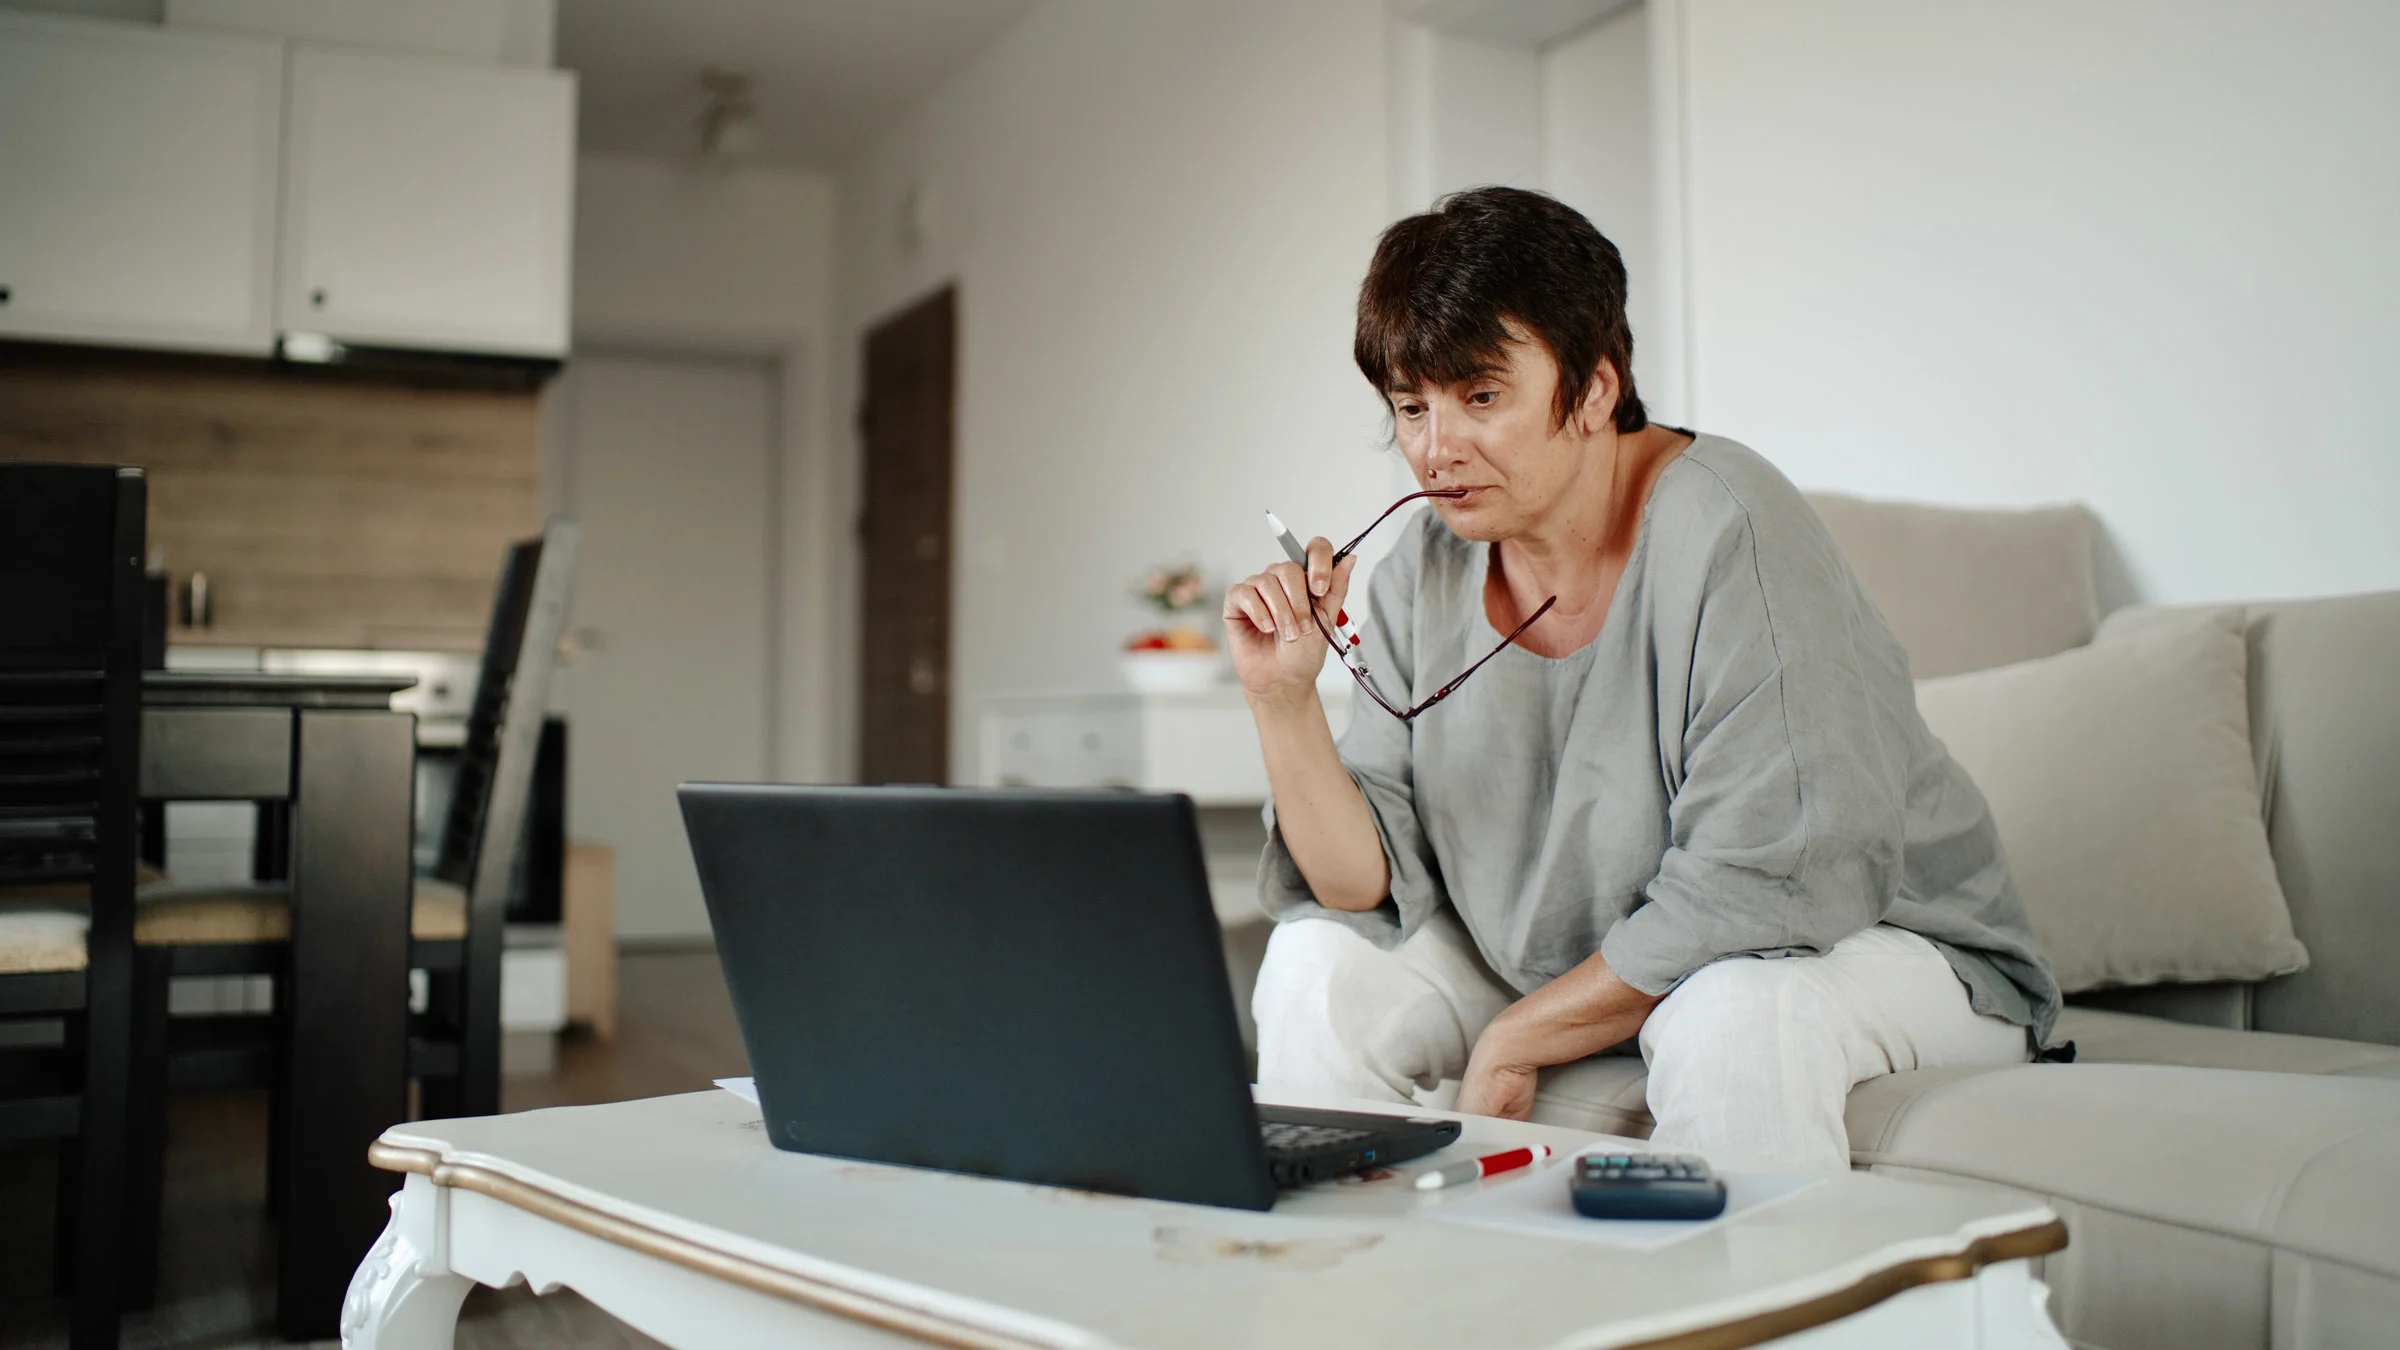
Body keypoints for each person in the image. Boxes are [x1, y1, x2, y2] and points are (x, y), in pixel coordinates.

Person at [1221, 187, 2060, 1174]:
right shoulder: (1423, 569)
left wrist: (1522, 1032)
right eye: (1411, 406)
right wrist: (1282, 699)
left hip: (1880, 944)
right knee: (1316, 968)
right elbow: (1362, 887)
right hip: (1571, 961)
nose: (1434, 450)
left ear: (1594, 391)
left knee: (1734, 1012)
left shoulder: (1731, 529)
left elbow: (1762, 886)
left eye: (1480, 397)